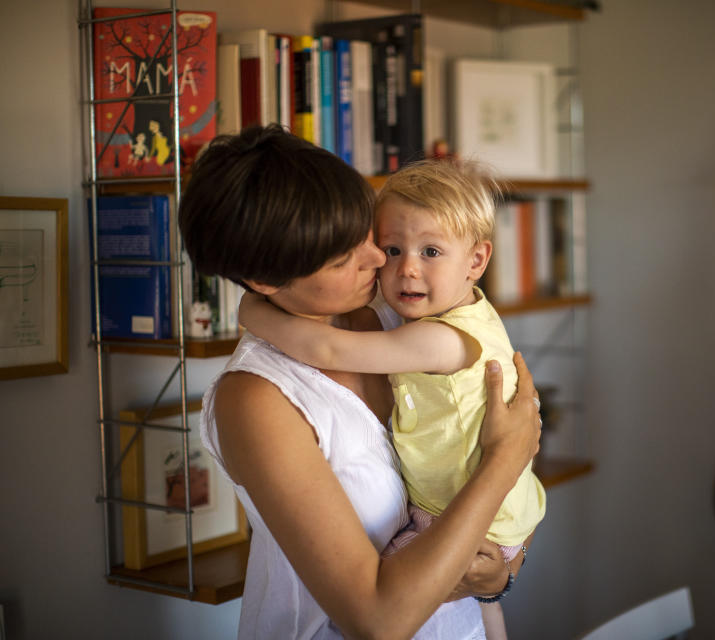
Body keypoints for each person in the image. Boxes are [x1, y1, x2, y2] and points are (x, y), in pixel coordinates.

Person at [178, 124, 542, 640]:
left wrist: (502, 571)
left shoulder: (401, 311)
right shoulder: (258, 399)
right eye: (344, 256)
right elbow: (378, 621)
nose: (379, 259)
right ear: (265, 283)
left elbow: (486, 466)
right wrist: (505, 459)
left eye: (367, 233)